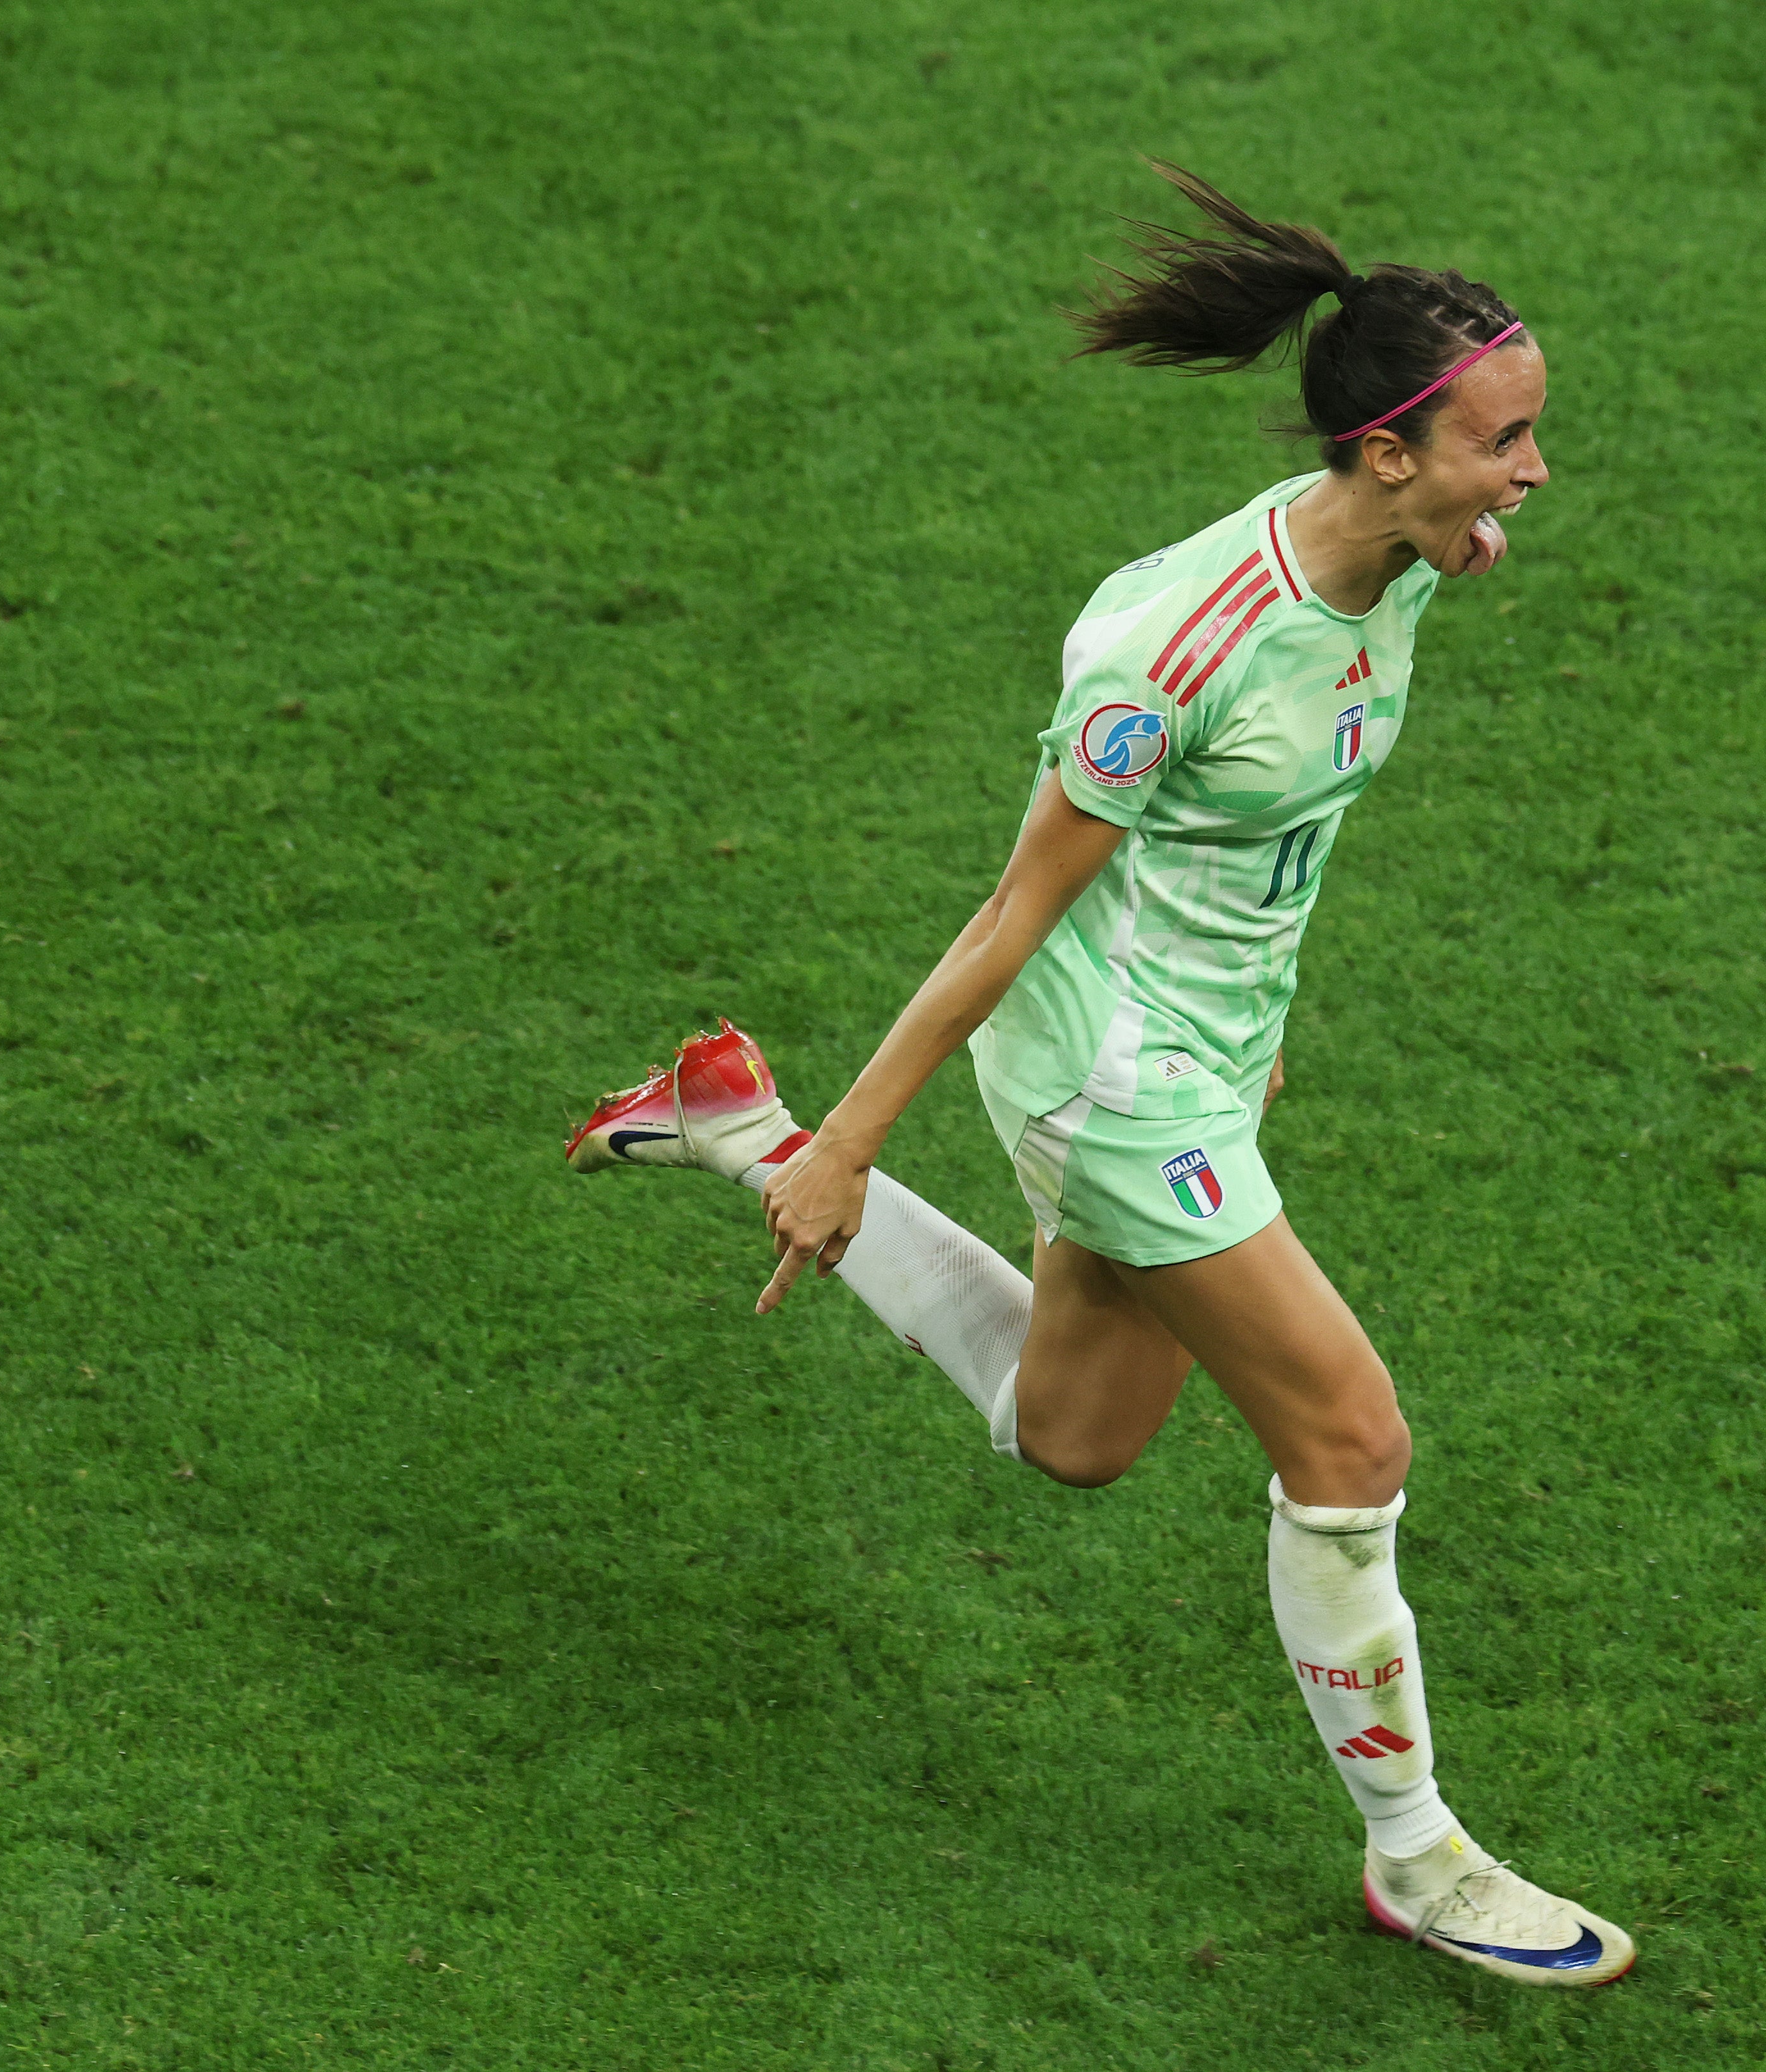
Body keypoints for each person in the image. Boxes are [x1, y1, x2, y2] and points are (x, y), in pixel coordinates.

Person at [564, 164, 1632, 1988]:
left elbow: (1272, 810)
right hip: (1118, 1079)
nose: (1533, 474)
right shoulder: (1171, 654)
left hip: (1204, 1050)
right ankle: (1422, 1858)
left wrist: (1254, 1023)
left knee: (1074, 1436)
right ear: (1386, 452)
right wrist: (863, 1144)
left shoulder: (1401, 557)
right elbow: (1012, 912)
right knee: (1351, 1441)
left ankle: (737, 1123)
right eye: (1502, 443)